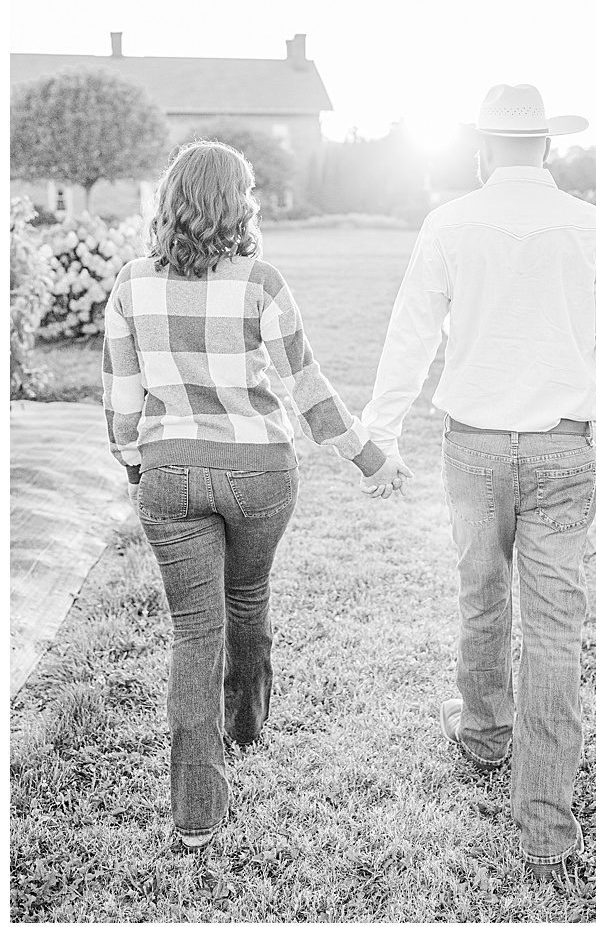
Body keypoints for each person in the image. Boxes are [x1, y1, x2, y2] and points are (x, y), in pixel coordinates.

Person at [360, 82, 596, 886]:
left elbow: (410, 334)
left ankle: (487, 736)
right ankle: (545, 831)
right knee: (556, 630)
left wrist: (379, 431)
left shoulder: (450, 224)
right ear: (549, 148)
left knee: (481, 597)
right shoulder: (593, 229)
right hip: (564, 452)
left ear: (484, 150)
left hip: (476, 449)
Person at [102, 140, 405, 850]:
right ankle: (244, 727)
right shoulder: (261, 281)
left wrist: (136, 469)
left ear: (170, 202)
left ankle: (194, 817)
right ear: (240, 205)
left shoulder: (128, 285)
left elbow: (121, 405)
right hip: (261, 474)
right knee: (248, 600)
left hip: (170, 474)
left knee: (193, 632)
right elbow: (307, 385)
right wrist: (370, 460)